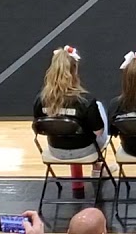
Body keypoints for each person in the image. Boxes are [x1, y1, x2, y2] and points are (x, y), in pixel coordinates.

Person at [32, 46, 108, 182]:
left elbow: (40, 125)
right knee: (99, 107)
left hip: (55, 149)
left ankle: (96, 167)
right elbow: (98, 132)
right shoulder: (85, 100)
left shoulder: (40, 99)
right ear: (74, 71)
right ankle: (97, 168)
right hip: (84, 150)